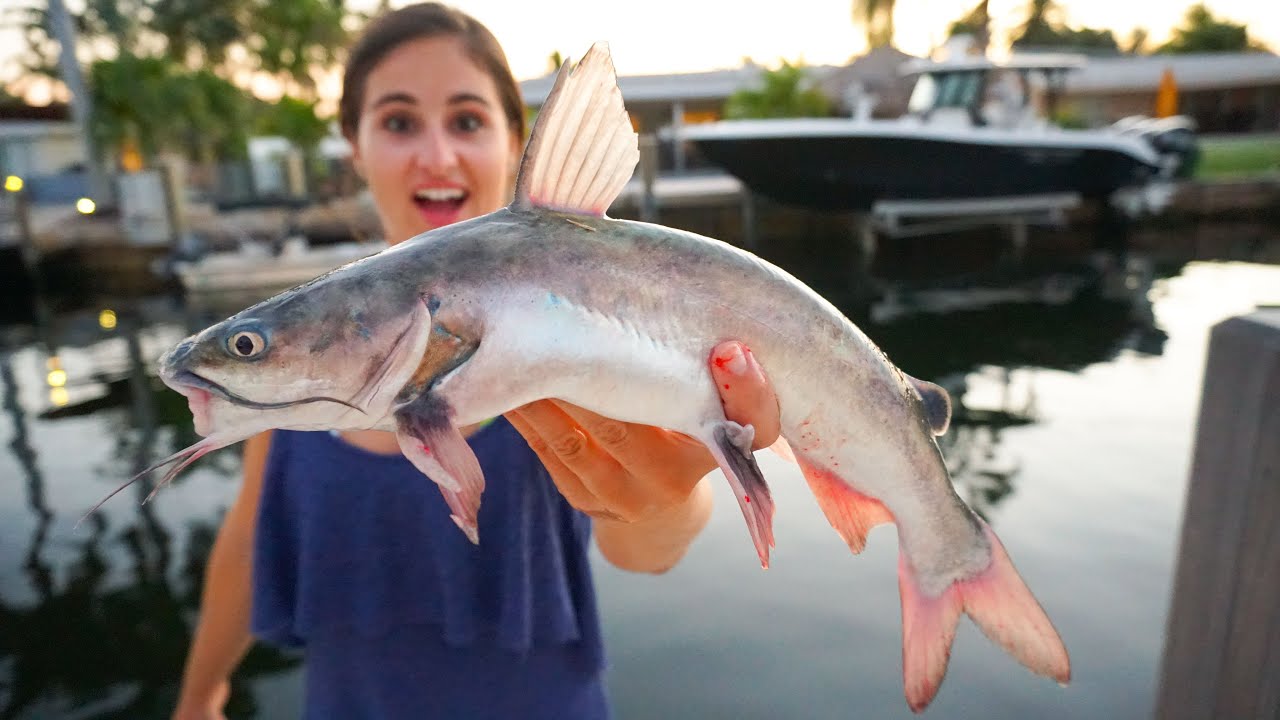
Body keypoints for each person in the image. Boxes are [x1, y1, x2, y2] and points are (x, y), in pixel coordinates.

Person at [171, 4, 780, 719]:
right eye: (399, 122)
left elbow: (647, 548)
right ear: (354, 144)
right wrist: (200, 695)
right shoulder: (288, 379)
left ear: (516, 139)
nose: (436, 156)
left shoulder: (576, 345)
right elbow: (247, 544)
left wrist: (669, 493)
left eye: (467, 120)